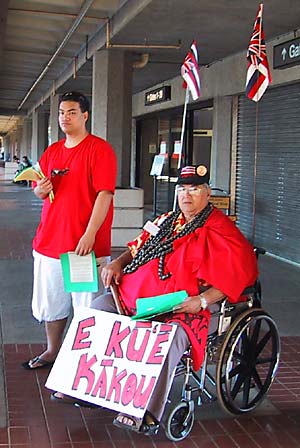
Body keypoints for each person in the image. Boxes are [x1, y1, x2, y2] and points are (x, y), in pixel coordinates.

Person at [51, 164, 258, 435]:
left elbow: (235, 274)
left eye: (194, 189)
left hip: (186, 305)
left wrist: (203, 300)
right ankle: (82, 387)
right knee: (98, 309)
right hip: (139, 297)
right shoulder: (165, 220)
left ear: (207, 193)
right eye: (182, 189)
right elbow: (134, 248)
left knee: (168, 338)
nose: (187, 195)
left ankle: (146, 409)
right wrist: (117, 263)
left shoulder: (220, 227)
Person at [22, 91, 117, 370]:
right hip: (50, 242)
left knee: (87, 307)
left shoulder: (99, 150)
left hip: (82, 249)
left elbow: (105, 195)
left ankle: (85, 362)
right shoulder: (52, 151)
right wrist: (39, 190)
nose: (65, 117)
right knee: (52, 301)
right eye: (62, 112)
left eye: (72, 112)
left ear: (85, 115)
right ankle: (53, 350)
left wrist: (89, 234)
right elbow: (37, 185)